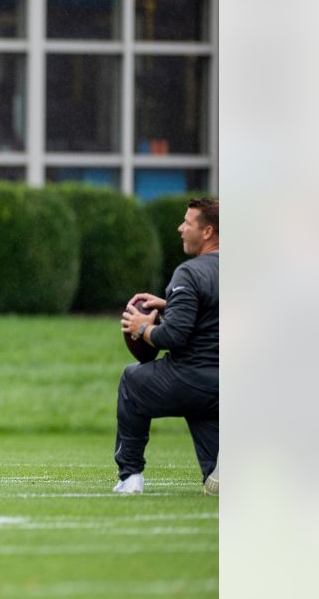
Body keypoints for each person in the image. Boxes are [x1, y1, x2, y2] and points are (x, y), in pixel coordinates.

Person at [116, 197, 219, 496]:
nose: (180, 228)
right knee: (216, 480)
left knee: (132, 382)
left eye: (187, 223)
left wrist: (142, 328)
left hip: (189, 377)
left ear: (208, 231)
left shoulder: (189, 273)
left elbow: (173, 337)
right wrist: (173, 304)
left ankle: (130, 476)